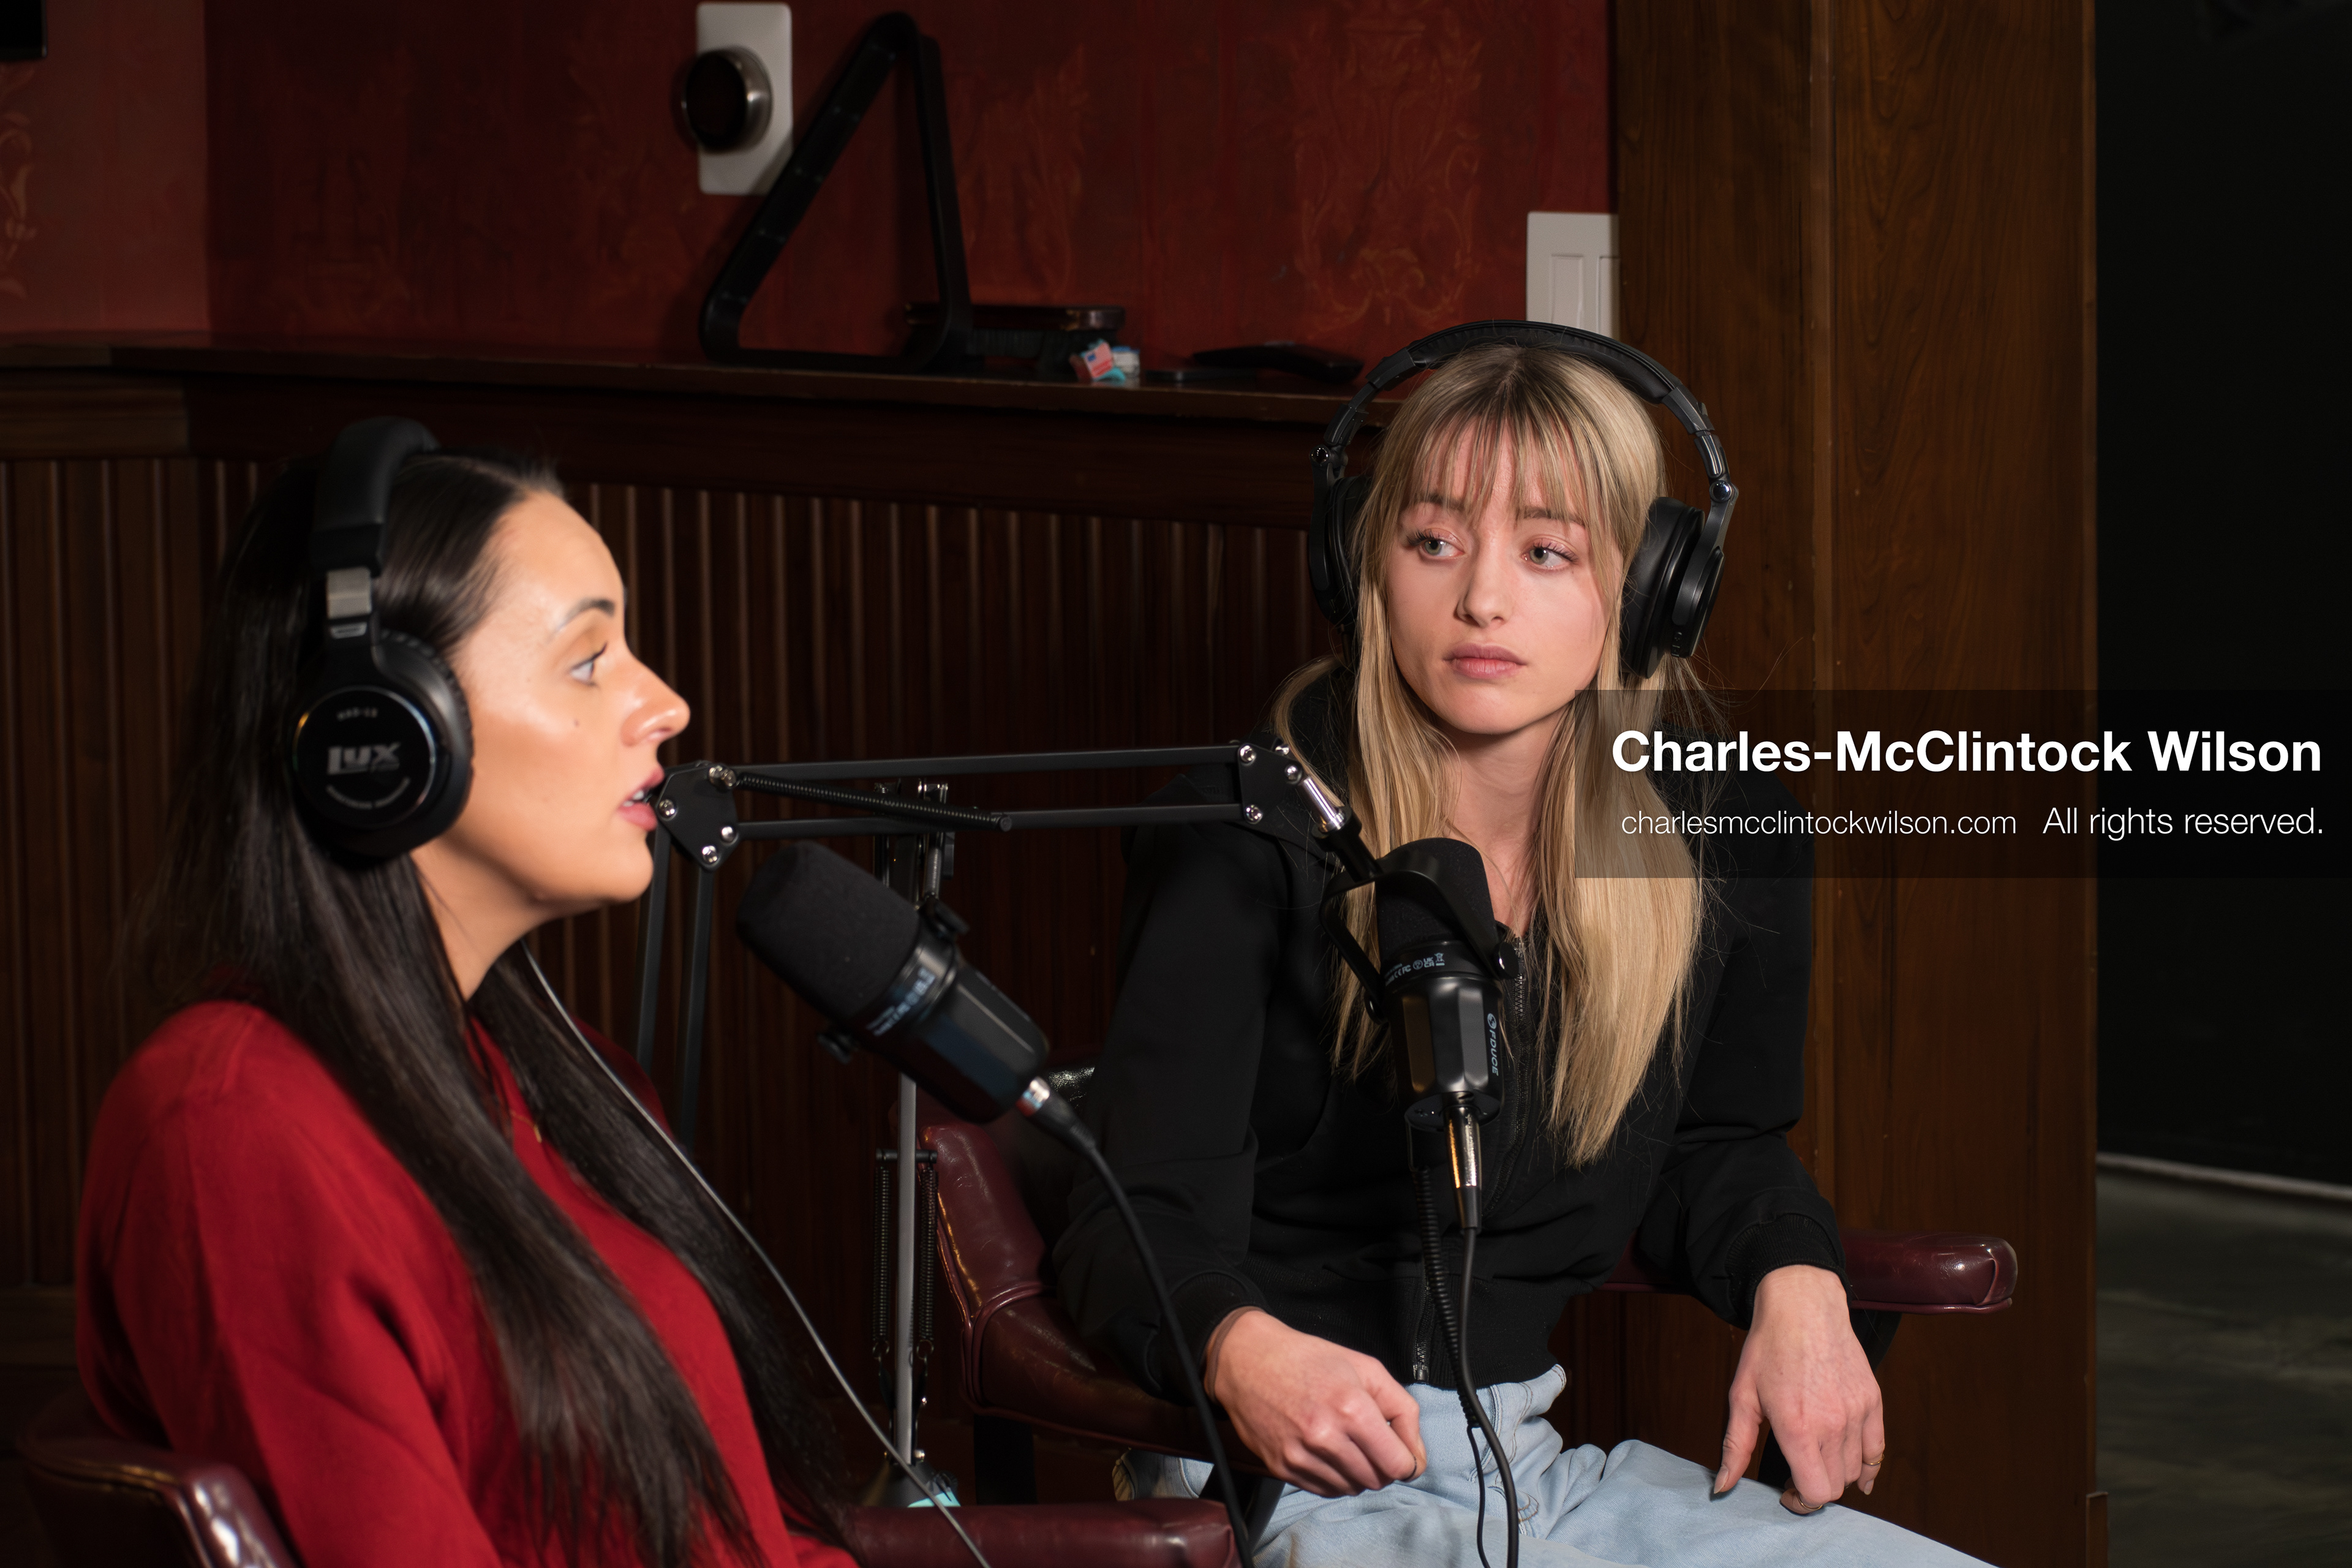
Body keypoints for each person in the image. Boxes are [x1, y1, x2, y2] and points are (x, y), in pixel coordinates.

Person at [1054, 342, 1986, 1566]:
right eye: (1434, 543)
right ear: (1361, 566)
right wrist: (1240, 1346)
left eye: (1548, 551)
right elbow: (1132, 1210)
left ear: (1653, 589)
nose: (1481, 599)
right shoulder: (1249, 829)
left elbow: (1718, 1141)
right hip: (1275, 1478)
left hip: (1534, 1468)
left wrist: (1797, 1275)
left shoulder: (1721, 824)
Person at [75, 439, 854, 1567]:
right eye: (589, 662)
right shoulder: (236, 1132)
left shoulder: (559, 1080)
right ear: (384, 733)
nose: (670, 706)